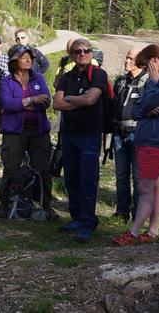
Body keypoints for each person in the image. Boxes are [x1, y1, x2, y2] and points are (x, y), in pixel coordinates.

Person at [112, 45, 159, 246]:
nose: (144, 69)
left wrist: (152, 83)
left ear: (154, 60)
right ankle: (152, 231)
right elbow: (137, 110)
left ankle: (133, 232)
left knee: (145, 187)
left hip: (155, 140)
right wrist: (146, 109)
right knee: (156, 187)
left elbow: (151, 101)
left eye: (145, 64)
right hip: (149, 138)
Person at [52, 38, 109, 242]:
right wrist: (81, 101)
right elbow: (56, 104)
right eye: (77, 51)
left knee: (87, 180)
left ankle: (88, 222)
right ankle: (76, 218)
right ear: (72, 54)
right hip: (69, 135)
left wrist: (71, 99)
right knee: (72, 179)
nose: (82, 54)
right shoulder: (67, 77)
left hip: (89, 135)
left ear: (91, 53)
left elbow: (91, 99)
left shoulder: (99, 75)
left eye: (86, 50)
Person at [0, 45, 54, 218]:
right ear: (14, 61)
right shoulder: (7, 81)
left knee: (42, 168)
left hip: (39, 130)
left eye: (30, 57)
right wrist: (32, 99)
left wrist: (21, 103)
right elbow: (7, 104)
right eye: (24, 57)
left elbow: (46, 101)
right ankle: (4, 204)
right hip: (14, 131)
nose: (29, 60)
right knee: (11, 167)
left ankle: (45, 204)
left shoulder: (39, 78)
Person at [110, 48, 146, 223]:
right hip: (119, 134)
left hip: (137, 135)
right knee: (121, 175)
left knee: (138, 177)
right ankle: (121, 211)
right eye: (126, 57)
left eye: (131, 58)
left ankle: (137, 214)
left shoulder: (148, 82)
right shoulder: (121, 81)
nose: (127, 61)